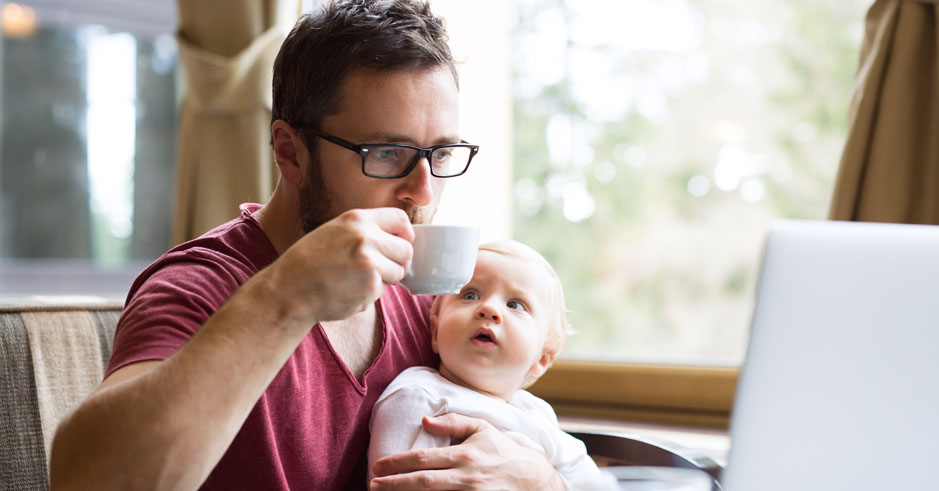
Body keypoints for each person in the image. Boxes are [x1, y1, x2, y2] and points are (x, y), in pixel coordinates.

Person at [48, 1, 564, 490]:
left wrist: (541, 479)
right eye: (387, 153)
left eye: (441, 154)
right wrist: (289, 296)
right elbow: (83, 479)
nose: (423, 192)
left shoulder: (428, 303)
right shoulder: (201, 286)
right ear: (290, 152)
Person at [367, 241, 617, 490]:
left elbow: (593, 484)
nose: (488, 308)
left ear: (542, 358)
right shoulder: (418, 397)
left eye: (515, 304)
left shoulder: (537, 413)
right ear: (435, 332)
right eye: (469, 295)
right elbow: (390, 483)